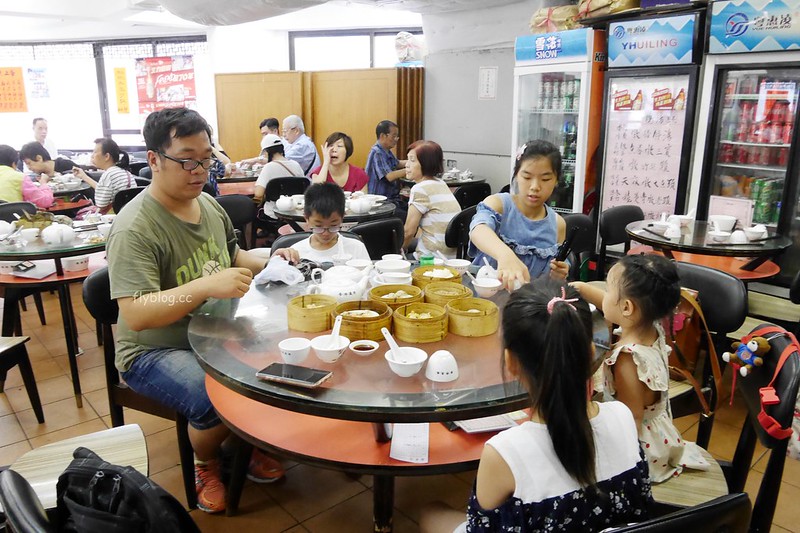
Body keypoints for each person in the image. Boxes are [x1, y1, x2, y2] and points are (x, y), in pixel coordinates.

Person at [106, 107, 299, 514]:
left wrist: (275, 261)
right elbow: (137, 314)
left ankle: (241, 444)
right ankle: (206, 463)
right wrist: (206, 286)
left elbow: (234, 255)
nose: (199, 169)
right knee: (211, 393)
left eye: (206, 158)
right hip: (153, 349)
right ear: (154, 159)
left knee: (280, 356)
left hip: (214, 330)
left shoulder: (208, 205)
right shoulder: (134, 227)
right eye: (187, 159)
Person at [420, 280, 652, 532]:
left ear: (510, 362)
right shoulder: (622, 417)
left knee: (429, 512)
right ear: (589, 352)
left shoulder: (504, 453)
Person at [572, 254, 710, 483]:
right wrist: (583, 288)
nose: (604, 295)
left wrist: (620, 468)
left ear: (626, 307)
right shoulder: (651, 326)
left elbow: (630, 419)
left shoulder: (627, 359)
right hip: (660, 431)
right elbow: (614, 305)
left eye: (608, 289)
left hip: (640, 450)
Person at [469, 140, 568, 290]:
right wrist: (505, 255)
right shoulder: (499, 205)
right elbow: (478, 229)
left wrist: (558, 276)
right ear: (516, 175)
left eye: (546, 179)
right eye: (527, 177)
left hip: (526, 309)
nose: (535, 187)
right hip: (484, 303)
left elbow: (551, 281)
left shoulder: (557, 224)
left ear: (556, 180)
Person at [276, 182, 370, 263]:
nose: (326, 233)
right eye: (318, 226)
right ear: (307, 219)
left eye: (333, 226)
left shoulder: (356, 248)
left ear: (342, 218)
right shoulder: (296, 252)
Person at [402, 140, 460, 258]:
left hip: (431, 258)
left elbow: (408, 232)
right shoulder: (441, 183)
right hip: (451, 255)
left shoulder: (420, 189)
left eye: (412, 160)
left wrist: (398, 251)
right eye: (407, 159)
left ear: (425, 163)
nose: (406, 164)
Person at [72, 138, 136, 213]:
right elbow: (104, 189)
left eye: (95, 152)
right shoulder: (123, 172)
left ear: (106, 156)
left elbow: (101, 205)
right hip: (127, 214)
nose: (92, 156)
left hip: (112, 217)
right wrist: (84, 177)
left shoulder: (108, 175)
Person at [365, 120, 407, 220]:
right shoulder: (377, 152)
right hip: (381, 203)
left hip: (392, 199)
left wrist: (414, 161)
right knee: (407, 216)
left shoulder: (386, 151)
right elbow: (389, 176)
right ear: (383, 136)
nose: (397, 139)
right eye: (394, 136)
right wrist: (410, 170)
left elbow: (398, 163)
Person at [253, 133, 304, 214]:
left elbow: (258, 194)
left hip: (273, 213)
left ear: (267, 152)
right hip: (294, 213)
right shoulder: (296, 165)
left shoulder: (268, 167)